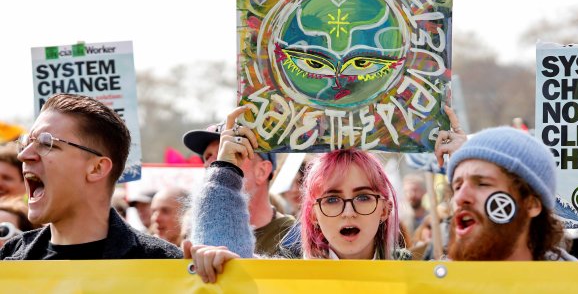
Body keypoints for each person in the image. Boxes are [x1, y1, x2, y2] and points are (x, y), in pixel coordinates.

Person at [185, 106, 409, 283]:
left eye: (363, 197)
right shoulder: (285, 275)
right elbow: (232, 277)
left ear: (385, 209)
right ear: (312, 214)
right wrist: (224, 170)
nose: (348, 212)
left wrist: (446, 172)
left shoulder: (414, 275)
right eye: (332, 199)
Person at [439, 125, 578, 276]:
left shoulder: (576, 287)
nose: (461, 198)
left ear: (532, 204)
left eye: (483, 184)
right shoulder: (428, 285)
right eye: (457, 186)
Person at [0, 93, 181, 260]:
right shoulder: (10, 258)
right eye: (26, 143)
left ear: (97, 168)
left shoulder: (164, 264)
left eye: (46, 143)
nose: (23, 155)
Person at [183, 120, 295, 256]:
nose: (211, 165)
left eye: (227, 155)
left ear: (261, 171)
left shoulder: (295, 238)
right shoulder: (197, 231)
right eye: (207, 157)